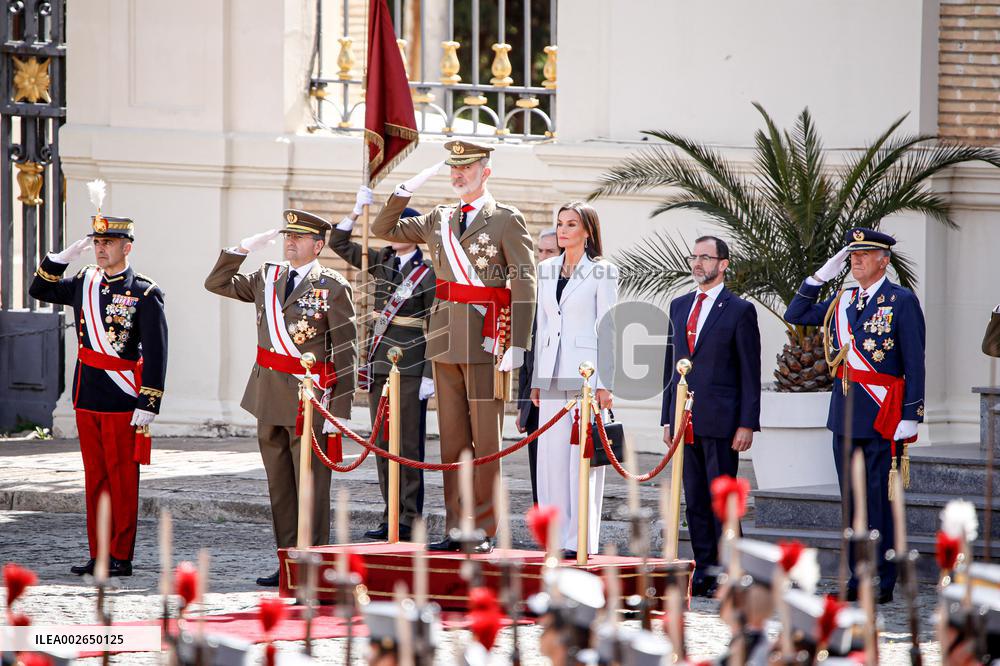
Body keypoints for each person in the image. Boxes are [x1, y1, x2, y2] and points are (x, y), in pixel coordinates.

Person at [371, 140, 536, 553]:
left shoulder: (505, 219)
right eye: (454, 169)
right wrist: (407, 187)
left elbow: (524, 281)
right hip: (443, 342)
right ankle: (456, 524)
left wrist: (518, 342)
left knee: (485, 440)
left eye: (468, 168)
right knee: (452, 441)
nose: (459, 175)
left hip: (486, 339)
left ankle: (482, 527)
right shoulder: (438, 218)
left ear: (486, 172)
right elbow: (383, 229)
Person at [204, 209, 357, 586]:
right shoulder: (266, 278)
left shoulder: (333, 286)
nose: (290, 242)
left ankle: (314, 563)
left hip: (310, 401)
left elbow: (347, 350)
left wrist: (340, 411)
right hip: (266, 394)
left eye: (299, 237)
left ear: (318, 245)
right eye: (287, 235)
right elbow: (217, 283)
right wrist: (240, 249)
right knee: (280, 488)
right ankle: (288, 562)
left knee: (311, 486)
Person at [28, 182, 168, 577]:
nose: (102, 248)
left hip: (124, 398)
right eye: (98, 242)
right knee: (95, 480)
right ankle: (98, 552)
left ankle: (120, 555)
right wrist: (63, 256)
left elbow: (157, 351)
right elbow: (38, 288)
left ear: (128, 246)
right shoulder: (84, 283)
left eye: (110, 241)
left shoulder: (145, 292)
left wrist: (148, 401)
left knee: (122, 481)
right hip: (87, 393)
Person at [784, 228, 925, 604]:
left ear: (884, 260)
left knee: (880, 500)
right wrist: (819, 277)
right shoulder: (843, 298)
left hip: (883, 414)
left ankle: (881, 580)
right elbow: (795, 313)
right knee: (851, 500)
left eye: (865, 254)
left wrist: (912, 414)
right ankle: (855, 575)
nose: (856, 260)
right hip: (845, 415)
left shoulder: (901, 300)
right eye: (851, 255)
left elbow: (914, 360)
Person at [330, 190, 435, 541]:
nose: (394, 234)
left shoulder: (428, 272)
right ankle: (390, 513)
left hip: (410, 364)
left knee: (407, 445)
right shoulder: (382, 261)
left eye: (403, 227)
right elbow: (340, 244)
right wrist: (355, 212)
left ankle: (409, 518)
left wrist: (430, 374)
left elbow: (437, 325)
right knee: (381, 443)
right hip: (379, 364)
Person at [660, 235, 761, 597]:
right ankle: (703, 569)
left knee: (722, 499)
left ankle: (731, 569)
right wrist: (666, 417)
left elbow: (750, 370)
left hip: (723, 420)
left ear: (724, 264)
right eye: (695, 256)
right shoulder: (679, 304)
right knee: (696, 500)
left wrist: (747, 422)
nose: (698, 263)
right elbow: (670, 366)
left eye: (706, 257)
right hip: (685, 421)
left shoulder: (739, 310)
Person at [530, 203, 617, 556]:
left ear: (587, 231)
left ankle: (579, 538)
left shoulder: (603, 271)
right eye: (560, 224)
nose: (563, 230)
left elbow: (608, 328)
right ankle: (555, 536)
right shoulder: (546, 269)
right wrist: (536, 377)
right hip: (550, 372)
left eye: (571, 224)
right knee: (550, 460)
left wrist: (605, 382)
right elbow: (544, 325)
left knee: (581, 457)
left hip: (585, 374)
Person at [517, 228, 560, 503]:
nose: (542, 257)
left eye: (550, 252)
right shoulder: (533, 291)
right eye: (539, 251)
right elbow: (526, 356)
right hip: (534, 401)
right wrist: (521, 406)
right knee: (538, 472)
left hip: (562, 395)